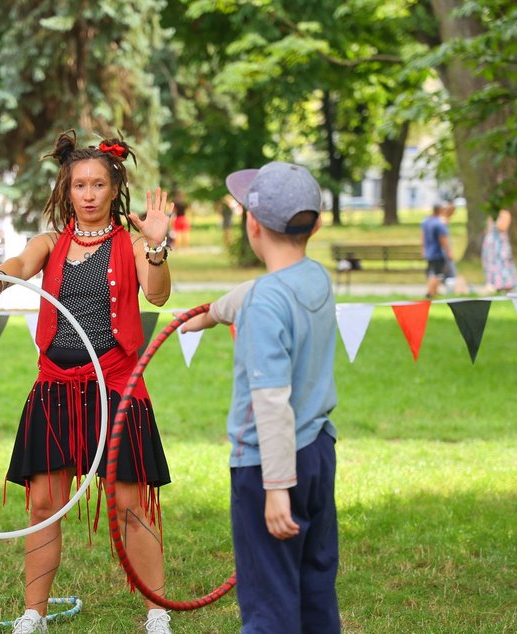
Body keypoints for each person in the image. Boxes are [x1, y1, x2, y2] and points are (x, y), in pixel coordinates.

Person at [0, 130, 174, 634]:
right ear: (67, 190)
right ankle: (34, 613)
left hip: (116, 388)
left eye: (99, 184)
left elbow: (158, 296)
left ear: (114, 188)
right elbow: (15, 270)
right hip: (55, 388)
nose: (90, 194)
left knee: (129, 504)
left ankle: (156, 611)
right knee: (44, 502)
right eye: (80, 185)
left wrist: (158, 248)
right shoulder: (49, 243)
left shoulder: (135, 245)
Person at [181, 161, 339, 633]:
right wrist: (213, 313)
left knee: (269, 601)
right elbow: (258, 290)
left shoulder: (267, 303)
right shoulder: (315, 278)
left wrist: (275, 489)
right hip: (317, 454)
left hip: (268, 466)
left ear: (252, 224)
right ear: (313, 224)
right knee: (314, 587)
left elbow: (270, 401)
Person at [421, 201, 454, 298]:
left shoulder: (426, 222)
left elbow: (422, 236)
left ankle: (433, 291)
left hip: (429, 252)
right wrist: (449, 252)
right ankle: (430, 293)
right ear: (440, 210)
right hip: (437, 253)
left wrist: (423, 249)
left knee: (432, 272)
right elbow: (443, 240)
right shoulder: (439, 224)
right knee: (437, 273)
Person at [481, 208, 517, 293]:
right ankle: (493, 284)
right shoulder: (492, 216)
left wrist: (495, 221)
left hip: (500, 247)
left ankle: (504, 285)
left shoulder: (504, 214)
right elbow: (487, 230)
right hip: (491, 248)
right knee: (491, 266)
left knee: (502, 266)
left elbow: (502, 227)